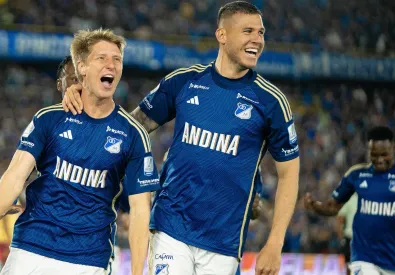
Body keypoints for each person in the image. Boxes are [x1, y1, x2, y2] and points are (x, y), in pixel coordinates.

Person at [63, 2, 300, 274]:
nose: (257, 40)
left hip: (225, 242)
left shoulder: (271, 102)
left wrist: (275, 242)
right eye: (248, 31)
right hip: (170, 228)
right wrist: (86, 94)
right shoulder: (184, 82)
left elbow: (289, 174)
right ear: (222, 35)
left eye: (261, 33)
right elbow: (128, 128)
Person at [0, 29, 160, 275]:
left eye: (117, 59)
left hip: (90, 259)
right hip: (32, 248)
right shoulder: (49, 118)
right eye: (102, 58)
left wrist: (138, 272)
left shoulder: (133, 135)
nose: (112, 65)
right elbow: (13, 178)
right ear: (82, 67)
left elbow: (141, 210)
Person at [305, 126, 395, 275]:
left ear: (393, 148)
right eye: (374, 155)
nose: (379, 160)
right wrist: (315, 206)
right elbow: (333, 207)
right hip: (364, 257)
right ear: (368, 150)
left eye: (384, 154)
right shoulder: (356, 174)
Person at [336, 193, 357, 275]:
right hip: (352, 237)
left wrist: (341, 238)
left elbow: (339, 220)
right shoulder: (368, 197)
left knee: (350, 265)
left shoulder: (348, 199)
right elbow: (340, 220)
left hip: (353, 238)